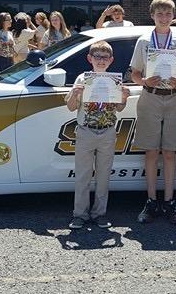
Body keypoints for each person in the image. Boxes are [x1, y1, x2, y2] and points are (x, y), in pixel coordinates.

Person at [128, 0, 176, 225]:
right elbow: (134, 73)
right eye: (159, 13)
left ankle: (169, 202)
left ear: (173, 16)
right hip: (150, 97)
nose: (164, 17)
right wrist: (144, 80)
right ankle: (151, 200)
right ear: (152, 15)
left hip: (174, 98)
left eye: (168, 14)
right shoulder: (144, 41)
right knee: (151, 152)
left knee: (170, 152)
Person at [65, 41, 130, 229]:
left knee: (103, 176)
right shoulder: (82, 79)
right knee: (83, 175)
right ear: (89, 59)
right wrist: (75, 94)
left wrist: (124, 97)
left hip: (108, 131)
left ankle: (99, 213)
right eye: (97, 57)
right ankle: (79, 214)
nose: (101, 61)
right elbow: (70, 107)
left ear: (111, 60)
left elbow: (118, 108)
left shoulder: (115, 80)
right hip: (85, 131)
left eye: (104, 57)